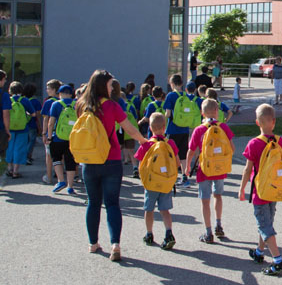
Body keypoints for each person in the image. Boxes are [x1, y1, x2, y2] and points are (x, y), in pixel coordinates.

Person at [77, 70, 148, 262]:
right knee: (112, 203)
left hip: (89, 159)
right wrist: (143, 141)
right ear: (103, 86)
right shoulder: (112, 106)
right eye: (109, 85)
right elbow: (129, 129)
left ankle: (93, 243)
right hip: (111, 158)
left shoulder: (82, 105)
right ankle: (115, 244)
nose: (112, 89)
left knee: (93, 203)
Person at [240, 104, 282, 275]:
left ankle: (278, 260)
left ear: (257, 123)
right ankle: (259, 252)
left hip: (260, 192)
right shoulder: (281, 142)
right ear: (274, 122)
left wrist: (242, 188)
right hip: (275, 190)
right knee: (267, 223)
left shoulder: (253, 143)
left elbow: (247, 169)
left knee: (264, 225)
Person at [187, 98, 234, 243]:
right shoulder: (223, 127)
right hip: (219, 168)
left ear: (202, 113)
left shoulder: (199, 129)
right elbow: (232, 148)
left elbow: (191, 150)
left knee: (205, 200)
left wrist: (187, 166)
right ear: (216, 111)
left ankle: (208, 232)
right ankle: (218, 224)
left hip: (204, 169)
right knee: (218, 195)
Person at [134, 113, 181, 251]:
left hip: (151, 183)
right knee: (165, 210)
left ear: (150, 127)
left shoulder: (147, 145)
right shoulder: (170, 143)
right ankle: (169, 233)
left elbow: (140, 165)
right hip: (166, 182)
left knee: (149, 209)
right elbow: (177, 163)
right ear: (165, 127)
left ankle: (149, 234)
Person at [5, 81, 35, 179]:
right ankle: (15, 171)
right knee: (19, 149)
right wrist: (27, 116)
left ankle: (9, 168)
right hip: (22, 129)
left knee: (9, 148)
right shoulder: (25, 100)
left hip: (9, 128)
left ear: (10, 90)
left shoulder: (8, 100)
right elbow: (33, 114)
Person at [40, 79, 61, 185]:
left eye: (48, 88)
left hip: (51, 132)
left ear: (54, 89)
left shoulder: (49, 102)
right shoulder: (64, 102)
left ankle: (48, 176)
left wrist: (44, 133)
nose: (47, 90)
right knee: (61, 156)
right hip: (62, 132)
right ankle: (60, 176)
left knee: (49, 156)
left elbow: (46, 119)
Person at [24, 83, 41, 165]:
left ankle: (27, 156)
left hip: (23, 124)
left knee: (26, 141)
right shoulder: (35, 101)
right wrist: (40, 126)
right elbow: (38, 115)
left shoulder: (22, 100)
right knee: (32, 141)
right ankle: (27, 156)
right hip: (32, 124)